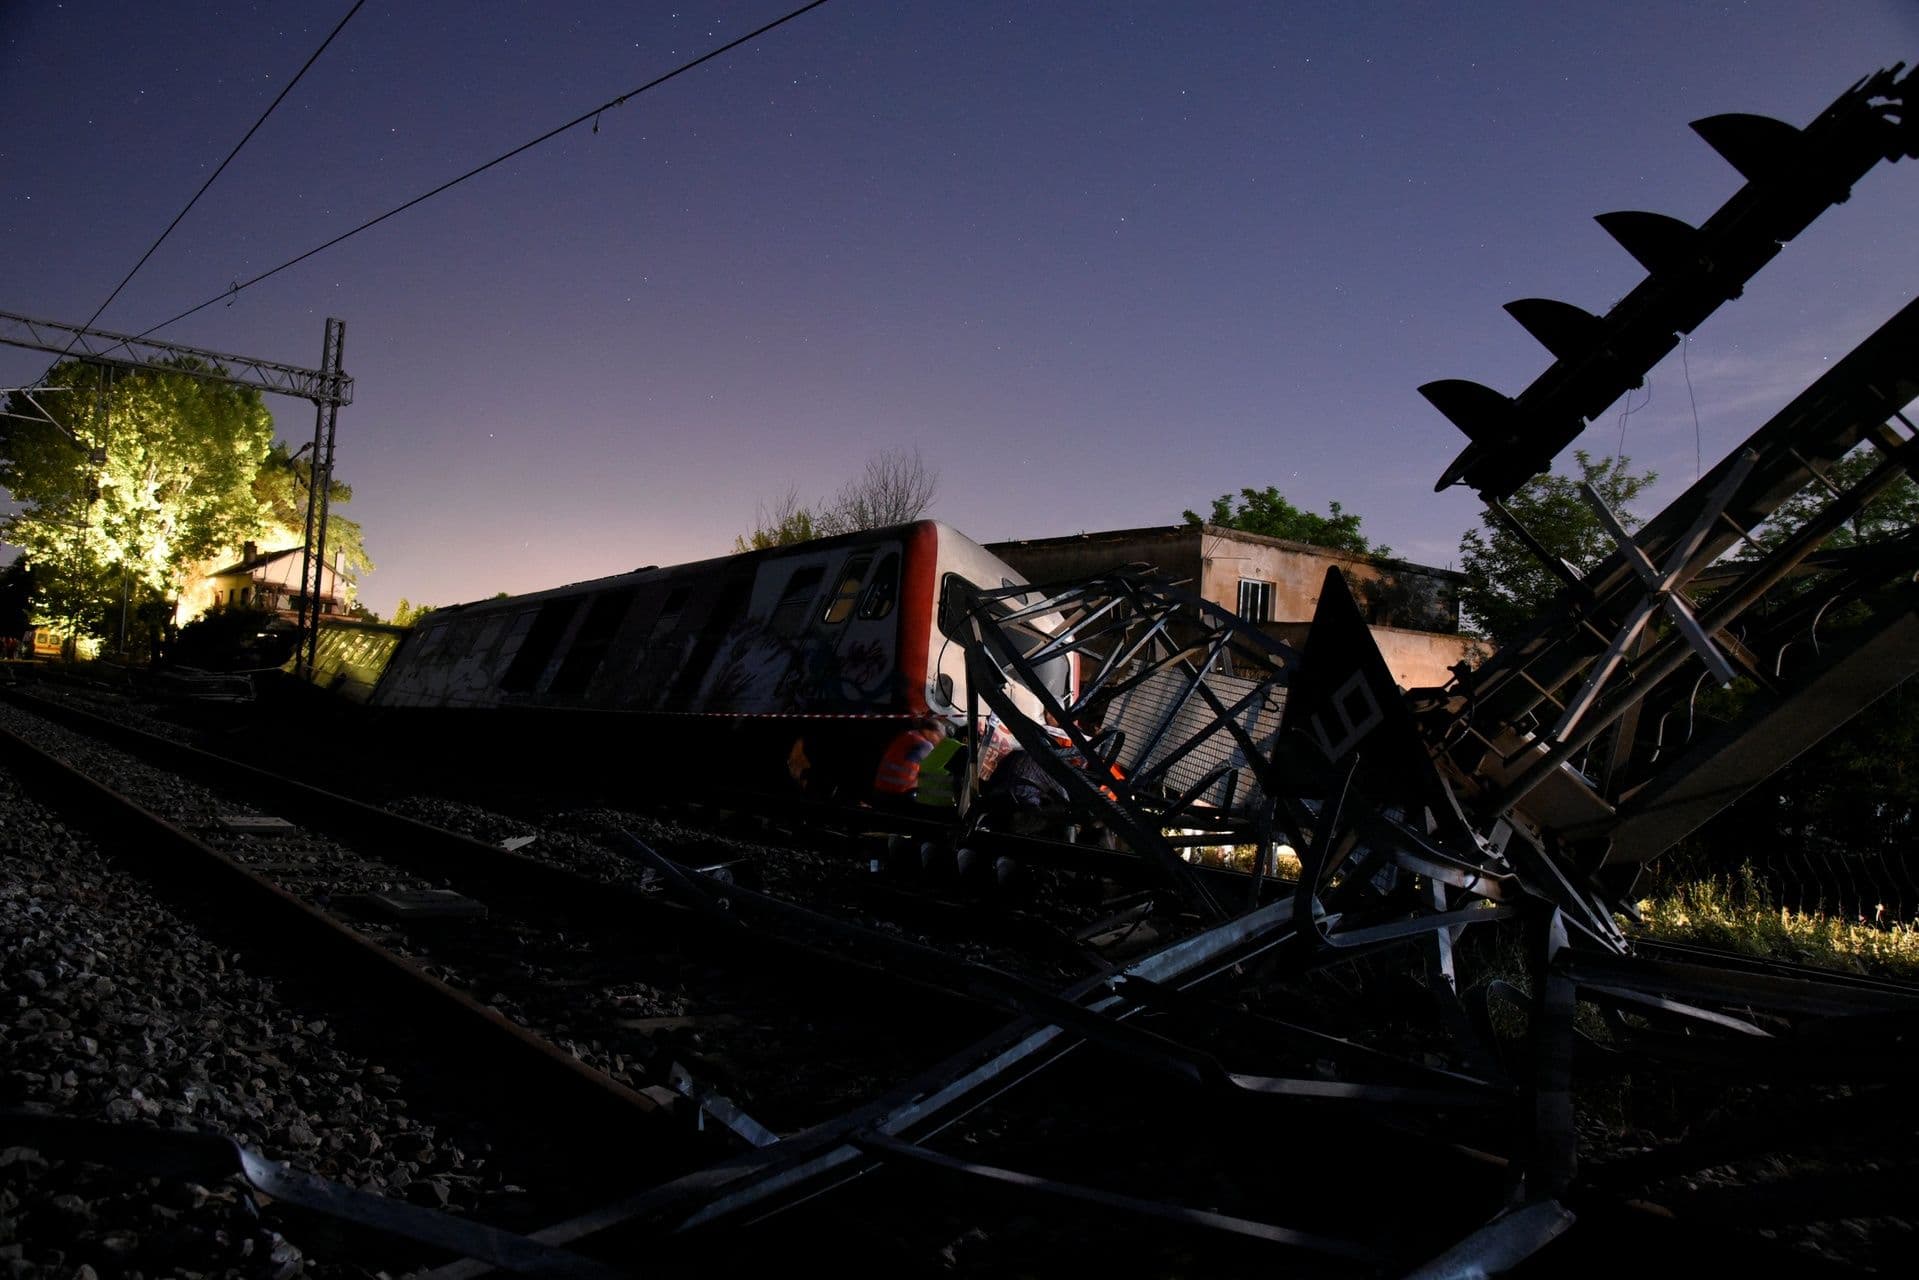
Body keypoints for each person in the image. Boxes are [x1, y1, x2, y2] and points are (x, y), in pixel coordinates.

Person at [872, 716, 949, 807]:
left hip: (880, 789)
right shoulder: (925, 745)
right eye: (939, 737)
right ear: (930, 731)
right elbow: (934, 770)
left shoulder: (908, 735)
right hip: (898, 794)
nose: (939, 743)